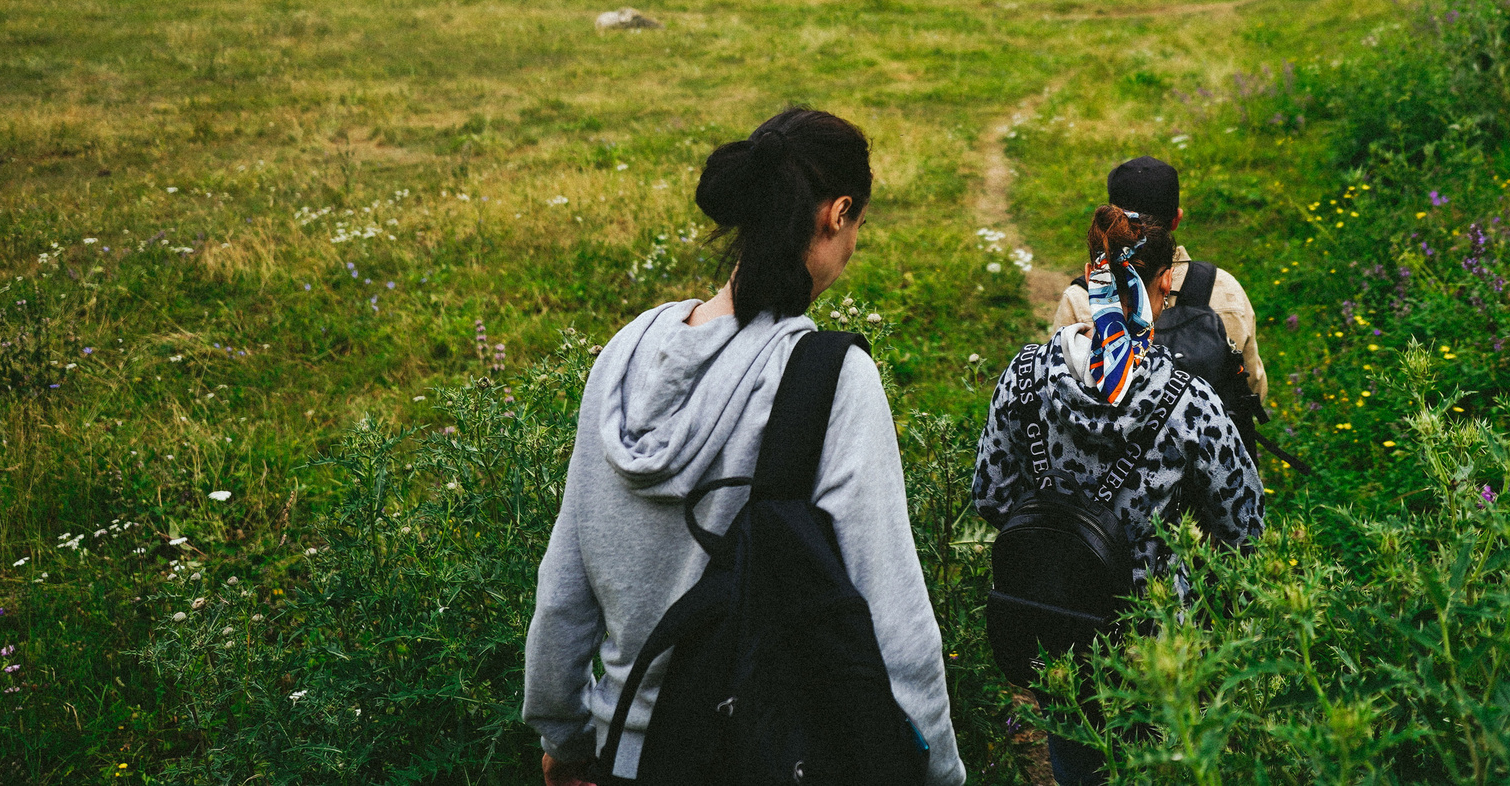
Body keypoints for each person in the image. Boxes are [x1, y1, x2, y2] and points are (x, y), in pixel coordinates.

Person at [523, 107, 966, 786]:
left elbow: (563, 590)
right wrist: (938, 769)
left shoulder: (623, 355)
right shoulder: (830, 379)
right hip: (755, 754)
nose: (854, 243)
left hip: (619, 758)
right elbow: (897, 623)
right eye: (859, 224)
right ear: (837, 212)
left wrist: (565, 735)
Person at [977, 202, 1264, 786]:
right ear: (1164, 284)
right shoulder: (1189, 401)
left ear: (1091, 271)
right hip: (1155, 647)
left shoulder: (1024, 374)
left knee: (1076, 761)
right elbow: (1244, 525)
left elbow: (990, 495)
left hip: (1055, 623)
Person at [1052, 156, 1268, 412]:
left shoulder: (1079, 299)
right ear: (1176, 219)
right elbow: (1254, 389)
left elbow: (1056, 390)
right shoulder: (1224, 288)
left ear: (1112, 222)